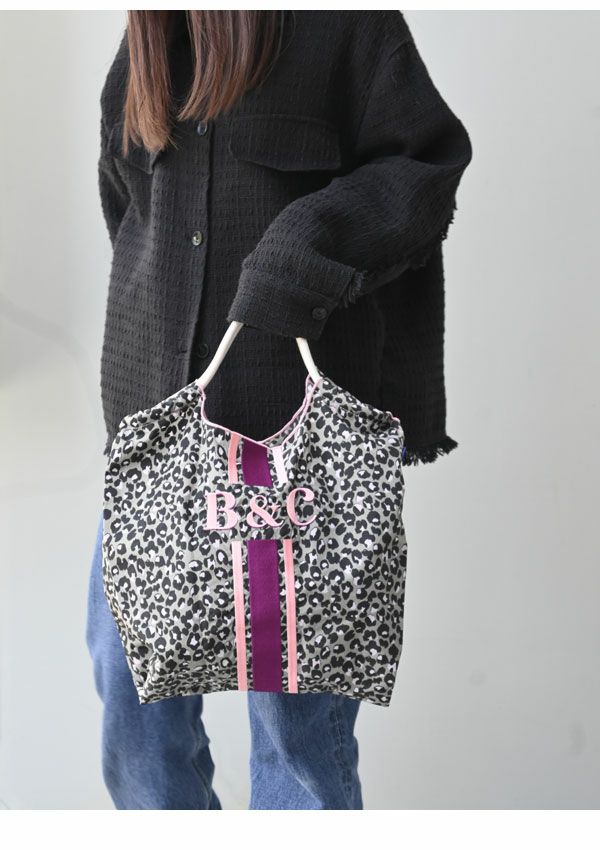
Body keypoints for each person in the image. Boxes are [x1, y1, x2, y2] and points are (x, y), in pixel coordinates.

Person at [86, 10, 472, 810]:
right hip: (157, 443)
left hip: (302, 451)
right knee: (133, 707)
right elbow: (128, 210)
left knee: (297, 740)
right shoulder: (149, 40)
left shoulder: (346, 27)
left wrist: (304, 249)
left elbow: (425, 164)